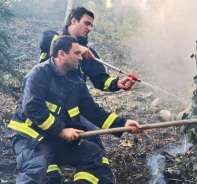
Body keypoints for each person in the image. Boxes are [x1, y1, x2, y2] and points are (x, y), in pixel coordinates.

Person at [6, 36, 142, 184]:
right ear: (62, 54)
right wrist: (61, 131)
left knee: (92, 154)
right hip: (30, 137)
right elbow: (33, 108)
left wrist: (123, 123)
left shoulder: (76, 81)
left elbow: (93, 111)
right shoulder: (39, 74)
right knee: (35, 168)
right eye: (76, 53)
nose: (81, 57)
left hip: (52, 137)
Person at [39, 6, 135, 91]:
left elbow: (101, 79)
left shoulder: (88, 53)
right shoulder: (50, 37)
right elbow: (43, 40)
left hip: (71, 104)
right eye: (87, 23)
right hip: (44, 99)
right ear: (74, 21)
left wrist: (117, 83)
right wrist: (74, 47)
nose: (90, 28)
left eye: (91, 26)